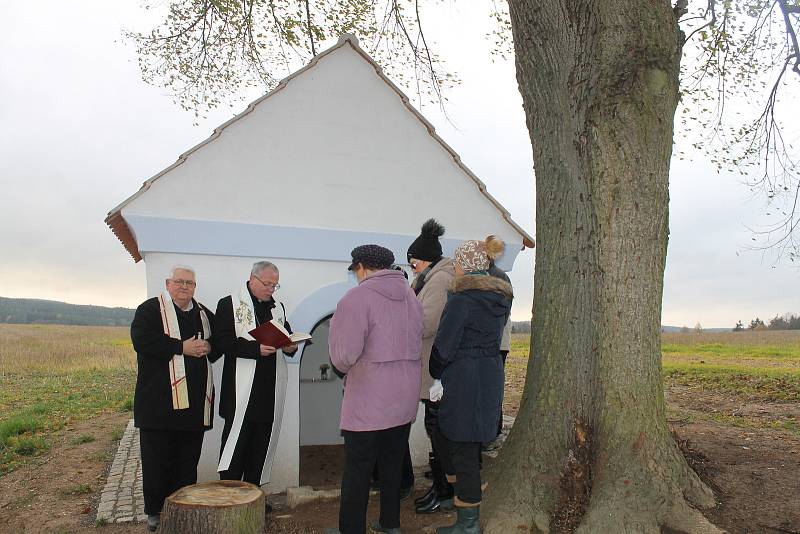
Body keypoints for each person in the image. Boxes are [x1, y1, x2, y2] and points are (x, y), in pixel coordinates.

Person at [325, 245, 423, 534]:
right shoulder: (410, 295)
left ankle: (351, 529)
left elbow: (344, 356)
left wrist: (343, 365)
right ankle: (390, 523)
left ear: (361, 267)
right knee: (392, 465)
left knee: (358, 469)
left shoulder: (356, 297)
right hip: (404, 396)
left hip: (369, 397)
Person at [429, 237, 513, 534]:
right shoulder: (501, 297)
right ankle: (465, 495)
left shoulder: (462, 300)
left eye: (457, 262)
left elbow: (445, 343)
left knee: (460, 443)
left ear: (466, 265)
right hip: (488, 372)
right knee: (463, 438)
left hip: (464, 375)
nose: (455, 267)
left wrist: (435, 373)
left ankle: (468, 522)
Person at [130, 265, 218, 532]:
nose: (184, 287)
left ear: (195, 287)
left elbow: (220, 342)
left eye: (189, 283)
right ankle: (155, 511)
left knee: (187, 461)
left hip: (192, 406)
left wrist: (209, 346)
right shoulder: (149, 310)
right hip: (158, 404)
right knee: (157, 461)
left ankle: (184, 505)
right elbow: (142, 341)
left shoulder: (203, 313)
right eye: (179, 281)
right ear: (168, 284)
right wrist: (182, 347)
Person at [214, 261, 298, 492]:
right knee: (236, 450)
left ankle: (254, 498)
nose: (271, 289)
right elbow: (222, 342)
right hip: (240, 394)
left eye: (275, 285)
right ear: (252, 278)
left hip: (268, 393)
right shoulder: (229, 304)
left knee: (259, 450)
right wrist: (255, 349)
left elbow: (287, 335)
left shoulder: (277, 308)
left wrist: (291, 346)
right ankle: (230, 498)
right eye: (267, 284)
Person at [406, 218, 456, 514]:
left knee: (437, 428)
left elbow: (427, 323)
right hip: (429, 365)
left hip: (437, 367)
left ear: (426, 260)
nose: (412, 266)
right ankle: (439, 488)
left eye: (414, 262)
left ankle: (445, 491)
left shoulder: (439, 280)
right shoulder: (426, 278)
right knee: (433, 426)